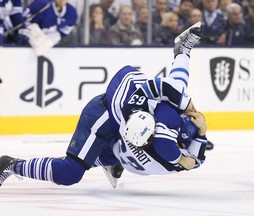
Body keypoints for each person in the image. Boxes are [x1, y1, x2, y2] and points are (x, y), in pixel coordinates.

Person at [0, 22, 204, 188]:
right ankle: (11, 164)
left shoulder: (164, 113)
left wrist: (187, 106)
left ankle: (182, 49)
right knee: (70, 172)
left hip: (122, 127)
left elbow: (171, 85)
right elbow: (182, 155)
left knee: (176, 90)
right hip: (100, 117)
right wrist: (197, 132)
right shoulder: (154, 114)